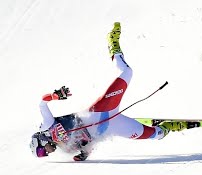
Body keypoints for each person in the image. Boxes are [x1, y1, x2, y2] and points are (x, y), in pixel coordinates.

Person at [29, 22, 189, 161]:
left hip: (102, 109)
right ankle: (171, 126)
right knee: (156, 135)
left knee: (128, 72)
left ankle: (113, 45)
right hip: (112, 126)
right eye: (44, 155)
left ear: (40, 141)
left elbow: (42, 103)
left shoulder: (47, 126)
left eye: (42, 151)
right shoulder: (66, 149)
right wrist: (84, 154)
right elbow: (90, 143)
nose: (47, 153)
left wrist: (55, 96)